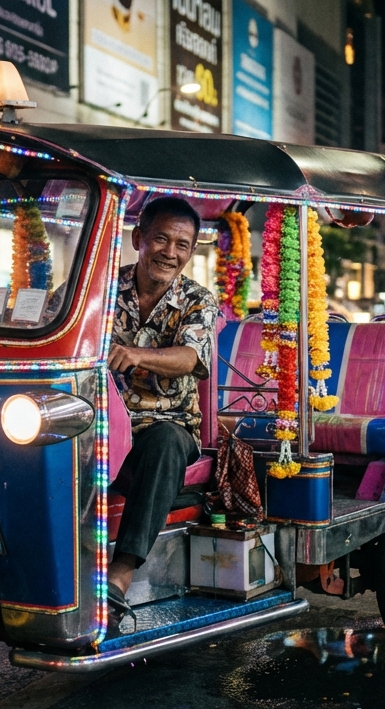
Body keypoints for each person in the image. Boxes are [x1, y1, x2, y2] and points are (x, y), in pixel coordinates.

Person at [106, 196, 219, 618]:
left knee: (165, 441)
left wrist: (135, 354)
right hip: (101, 423)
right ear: (138, 239)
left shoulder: (197, 301)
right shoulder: (101, 288)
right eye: (161, 239)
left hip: (165, 429)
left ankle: (120, 574)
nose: (170, 252)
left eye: (182, 244)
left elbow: (189, 358)